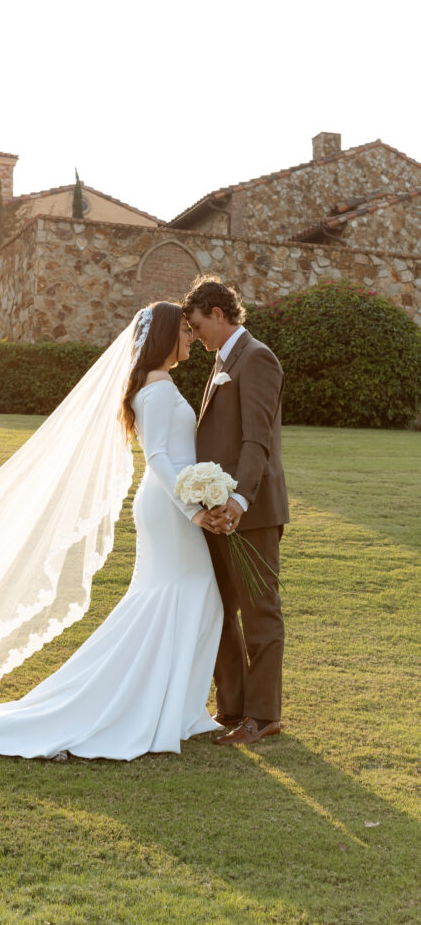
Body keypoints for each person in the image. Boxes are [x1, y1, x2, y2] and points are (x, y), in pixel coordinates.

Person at [0, 302, 224, 759]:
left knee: (181, 597)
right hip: (169, 508)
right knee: (188, 594)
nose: (189, 338)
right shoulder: (159, 390)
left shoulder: (154, 384)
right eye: (183, 331)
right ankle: (160, 707)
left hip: (170, 504)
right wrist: (194, 510)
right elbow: (161, 458)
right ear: (163, 337)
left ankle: (176, 707)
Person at [182, 276, 289, 746]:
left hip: (253, 511)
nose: (195, 334)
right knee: (220, 606)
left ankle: (263, 716)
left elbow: (256, 439)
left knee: (259, 610)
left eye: (198, 324)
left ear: (219, 314)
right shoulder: (222, 362)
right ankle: (233, 707)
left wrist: (240, 498)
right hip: (219, 511)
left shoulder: (257, 358)